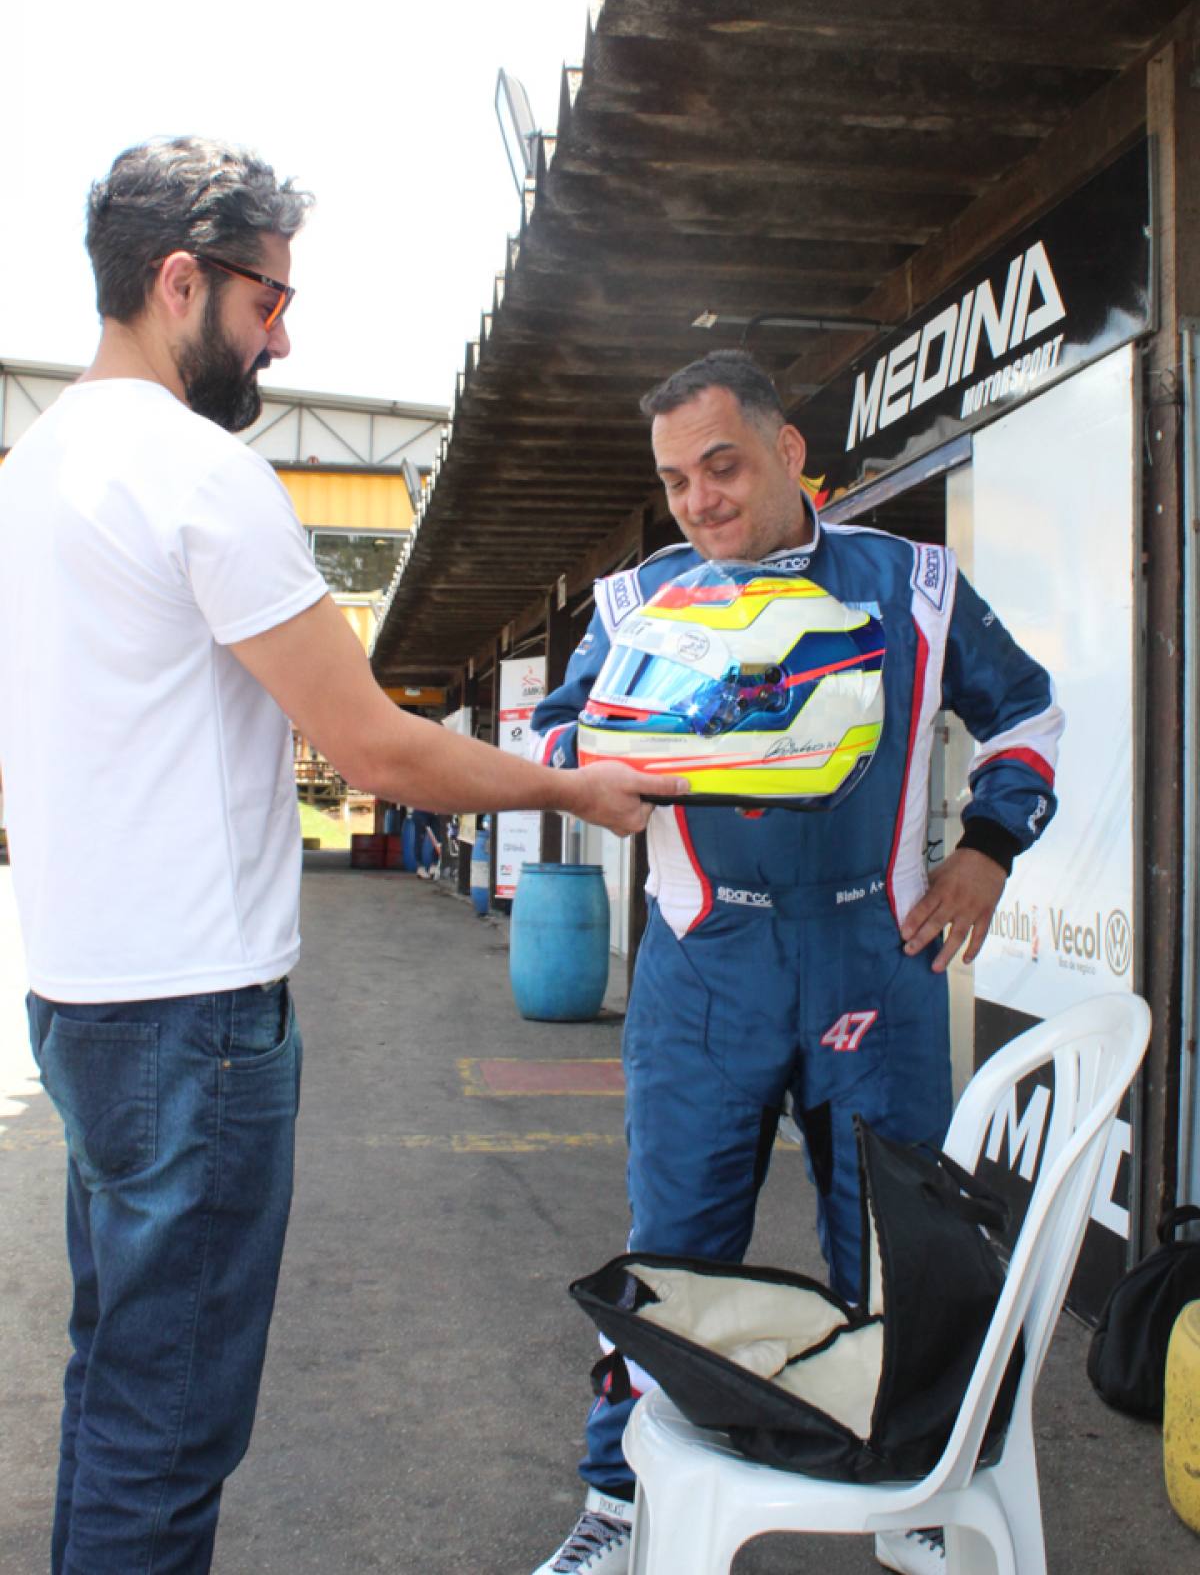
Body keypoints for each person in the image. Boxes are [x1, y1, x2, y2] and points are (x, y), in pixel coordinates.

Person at [0, 136, 682, 1575]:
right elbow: (374, 748)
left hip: (79, 996)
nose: (285, 334)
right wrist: (577, 783)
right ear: (179, 280)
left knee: (119, 1385)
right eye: (266, 300)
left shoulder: (39, 464)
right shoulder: (196, 474)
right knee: (169, 1426)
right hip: (194, 1015)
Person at [528, 349, 1063, 1575]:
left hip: (875, 954)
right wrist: (587, 769)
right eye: (676, 482)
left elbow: (1027, 712)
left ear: (790, 451)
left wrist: (986, 850)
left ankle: (919, 1496)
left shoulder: (912, 584)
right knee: (673, 1248)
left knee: (897, 1246)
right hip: (703, 966)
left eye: (722, 466)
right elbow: (557, 733)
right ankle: (618, 1501)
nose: (702, 501)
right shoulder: (634, 605)